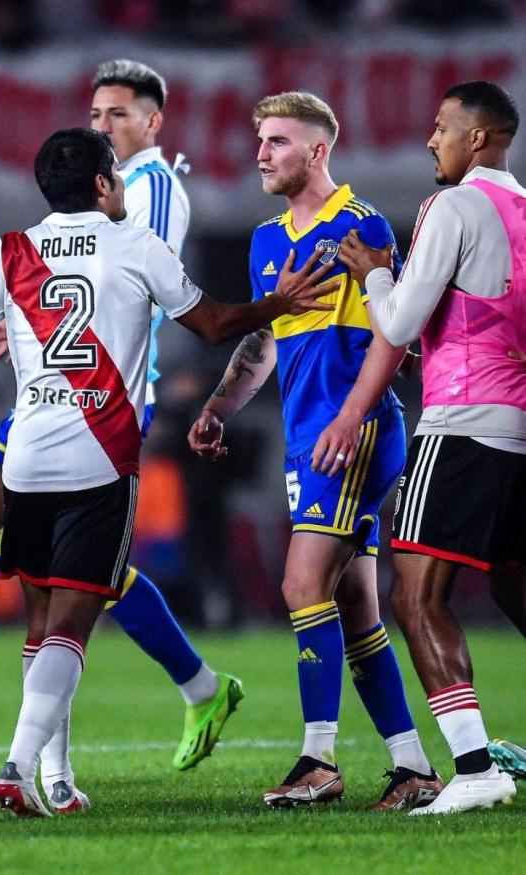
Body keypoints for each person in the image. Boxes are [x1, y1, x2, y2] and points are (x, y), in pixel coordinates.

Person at [0, 127, 331, 816]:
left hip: (25, 458)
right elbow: (216, 324)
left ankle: (57, 778)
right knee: (71, 627)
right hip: (99, 458)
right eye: (117, 176)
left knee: (42, 621)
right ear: (103, 183)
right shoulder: (137, 244)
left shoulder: (12, 250)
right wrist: (275, 304)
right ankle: (17, 769)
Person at [0, 59, 234, 773]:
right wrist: (39, 312)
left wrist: (49, 315)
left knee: (33, 553)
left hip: (103, 392)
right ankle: (159, 707)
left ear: (153, 122)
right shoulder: (97, 197)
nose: (104, 124)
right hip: (66, 382)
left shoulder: (154, 188)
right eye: (96, 114)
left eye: (118, 113)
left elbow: (143, 285)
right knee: (32, 551)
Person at [188, 91, 440, 811]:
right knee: (355, 608)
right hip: (310, 435)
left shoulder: (361, 228)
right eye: (260, 140)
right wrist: (219, 406)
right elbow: (265, 339)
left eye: (278, 141)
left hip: (353, 432)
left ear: (318, 150)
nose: (261, 154)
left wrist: (350, 419)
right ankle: (412, 768)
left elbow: (392, 336)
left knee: (303, 585)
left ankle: (318, 759)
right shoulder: (267, 240)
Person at [339, 80, 523, 815]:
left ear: (477, 138)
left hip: (464, 423)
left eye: (442, 127)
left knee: (414, 593)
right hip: (518, 428)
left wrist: (375, 274)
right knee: (513, 585)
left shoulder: (451, 206)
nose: (429, 139)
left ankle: (475, 769)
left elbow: (399, 322)